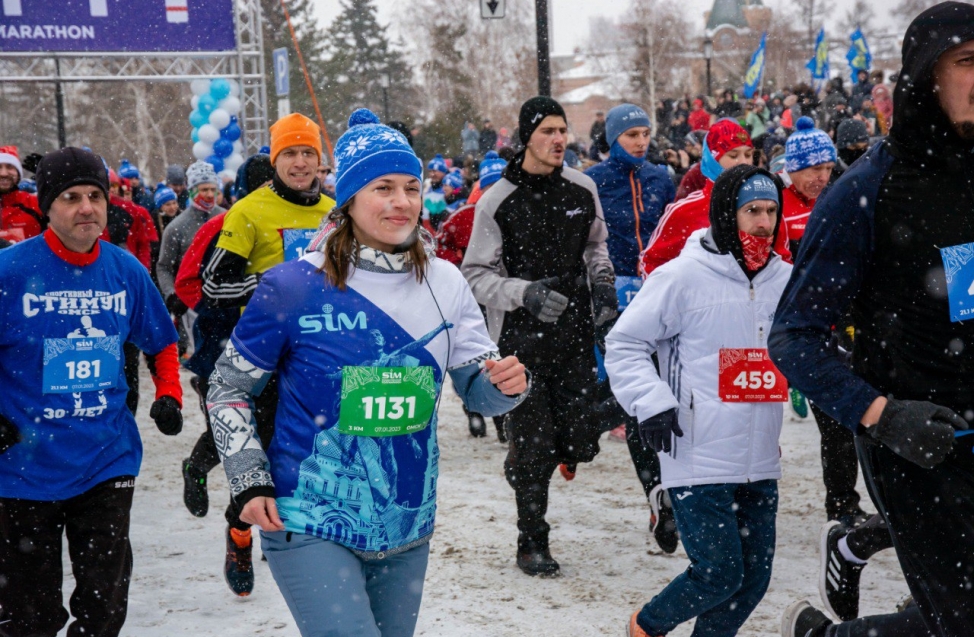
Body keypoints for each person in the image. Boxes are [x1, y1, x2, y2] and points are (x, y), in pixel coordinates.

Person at [206, 108, 527, 637]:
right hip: (307, 515)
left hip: (407, 521)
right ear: (350, 199)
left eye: (411, 187)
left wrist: (503, 387)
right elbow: (227, 388)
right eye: (383, 187)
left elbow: (477, 389)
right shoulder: (292, 286)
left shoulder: (444, 282)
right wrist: (248, 480)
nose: (402, 202)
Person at [773, 5, 974, 636]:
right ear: (924, 78)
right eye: (968, 62)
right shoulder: (867, 191)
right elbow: (794, 336)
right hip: (919, 447)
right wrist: (882, 415)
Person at [0, 147, 182, 637]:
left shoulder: (124, 271)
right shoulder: (9, 272)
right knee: (28, 616)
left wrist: (170, 394)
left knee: (103, 608)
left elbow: (162, 340)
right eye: (71, 197)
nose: (87, 208)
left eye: (95, 196)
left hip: (107, 458)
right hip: (22, 468)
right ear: (46, 206)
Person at [608, 165, 790, 637]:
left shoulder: (786, 280)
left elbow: (809, 345)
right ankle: (645, 626)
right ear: (727, 215)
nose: (764, 222)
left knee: (752, 582)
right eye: (752, 210)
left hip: (761, 458)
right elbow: (625, 343)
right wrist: (651, 401)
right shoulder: (681, 278)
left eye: (771, 211)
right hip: (697, 452)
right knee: (719, 574)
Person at [462, 96, 617, 577]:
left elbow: (596, 247)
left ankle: (547, 455)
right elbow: (474, 275)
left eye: (562, 130)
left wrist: (605, 285)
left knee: (577, 442)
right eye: (548, 130)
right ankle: (532, 540)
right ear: (526, 137)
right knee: (535, 448)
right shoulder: (497, 200)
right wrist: (524, 293)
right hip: (519, 344)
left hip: (573, 338)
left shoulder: (582, 188)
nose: (558, 139)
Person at [197, 112, 335, 597]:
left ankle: (319, 548)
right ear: (274, 160)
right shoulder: (249, 212)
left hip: (320, 358)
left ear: (321, 160)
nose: (300, 163)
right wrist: (273, 286)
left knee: (319, 461)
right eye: (290, 154)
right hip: (264, 361)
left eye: (308, 153)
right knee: (261, 465)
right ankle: (239, 534)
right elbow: (211, 285)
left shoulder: (337, 212)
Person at [584, 104, 678, 550]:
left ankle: (665, 490)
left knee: (660, 390)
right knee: (625, 393)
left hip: (657, 290)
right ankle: (580, 435)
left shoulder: (661, 178)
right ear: (613, 137)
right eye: (631, 135)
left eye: (645, 133)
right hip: (613, 293)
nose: (641, 142)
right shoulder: (594, 182)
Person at [640, 119, 791, 278]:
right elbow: (652, 263)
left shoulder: (766, 206)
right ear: (712, 161)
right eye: (733, 155)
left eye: (748, 154)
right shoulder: (685, 211)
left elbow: (783, 265)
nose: (743, 162)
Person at [436, 151, 508, 440]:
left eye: (502, 185)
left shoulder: (519, 214)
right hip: (471, 296)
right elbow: (440, 251)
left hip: (504, 298)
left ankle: (504, 422)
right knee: (472, 356)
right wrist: (462, 267)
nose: (497, 193)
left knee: (503, 356)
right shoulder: (464, 216)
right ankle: (474, 412)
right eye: (491, 186)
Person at [156, 160, 227, 358]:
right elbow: (163, 266)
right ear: (192, 189)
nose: (210, 195)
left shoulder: (228, 217)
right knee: (203, 357)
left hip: (225, 299)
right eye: (204, 189)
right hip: (193, 302)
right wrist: (172, 295)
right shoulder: (176, 227)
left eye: (213, 189)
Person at [0, 145, 45, 243]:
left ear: (18, 173)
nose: (4, 173)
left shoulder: (35, 204)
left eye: (10, 167)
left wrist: (52, 179)